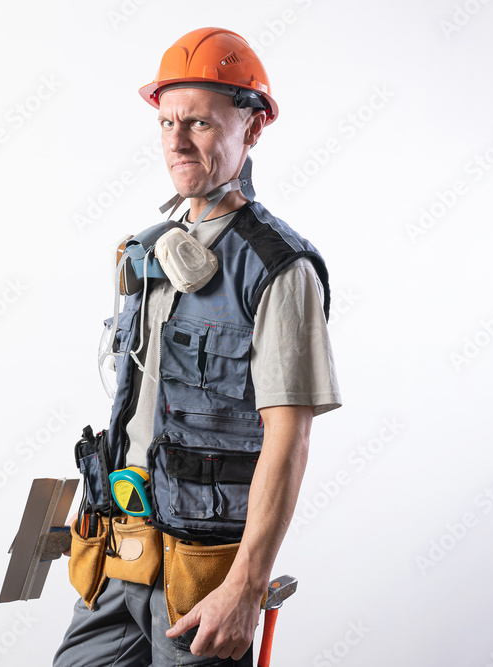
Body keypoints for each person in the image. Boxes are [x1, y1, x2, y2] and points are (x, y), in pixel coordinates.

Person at [55, 28, 341, 666]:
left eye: (201, 124)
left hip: (202, 581)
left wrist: (244, 588)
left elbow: (288, 440)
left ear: (253, 126)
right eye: (166, 122)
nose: (177, 142)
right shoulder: (149, 250)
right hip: (116, 558)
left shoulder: (277, 269)